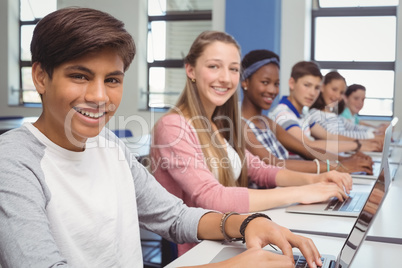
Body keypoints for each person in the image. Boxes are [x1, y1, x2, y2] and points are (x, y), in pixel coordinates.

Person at [0, 8, 325, 268]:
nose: (99, 96)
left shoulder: (109, 146)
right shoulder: (13, 161)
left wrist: (246, 224)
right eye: (79, 76)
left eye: (112, 80)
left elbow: (175, 216)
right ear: (41, 77)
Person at [150, 31, 352, 256]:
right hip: (196, 251)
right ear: (191, 70)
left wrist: (316, 179)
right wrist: (302, 192)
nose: (226, 78)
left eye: (233, 68)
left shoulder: (220, 123)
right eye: (214, 66)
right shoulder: (173, 127)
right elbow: (212, 197)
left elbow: (259, 169)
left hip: (230, 236)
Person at [240, 50, 373, 174]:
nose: (272, 90)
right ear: (245, 82)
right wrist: (338, 165)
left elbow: (306, 149)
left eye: (276, 84)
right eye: (265, 82)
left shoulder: (266, 121)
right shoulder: (242, 124)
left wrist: (343, 160)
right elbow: (273, 164)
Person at [268, 61, 382, 154]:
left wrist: (363, 143)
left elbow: (330, 136)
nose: (312, 93)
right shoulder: (283, 114)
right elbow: (308, 145)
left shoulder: (303, 114)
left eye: (317, 87)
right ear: (292, 83)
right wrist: (357, 145)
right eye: (307, 85)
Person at [308, 71, 384, 141]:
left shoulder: (334, 115)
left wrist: (375, 131)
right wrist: (372, 136)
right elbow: (337, 135)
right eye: (334, 89)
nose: (338, 96)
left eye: (341, 93)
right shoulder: (315, 114)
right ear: (322, 87)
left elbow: (354, 127)